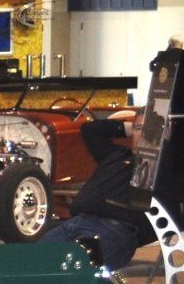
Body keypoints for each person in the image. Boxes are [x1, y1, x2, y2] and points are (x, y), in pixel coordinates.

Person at [40, 110, 152, 270]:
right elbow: (90, 130)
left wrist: (163, 140)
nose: (143, 134)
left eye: (150, 130)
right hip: (76, 223)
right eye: (139, 129)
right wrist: (129, 126)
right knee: (33, 263)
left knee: (76, 271)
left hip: (112, 229)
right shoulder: (117, 155)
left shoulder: (158, 166)